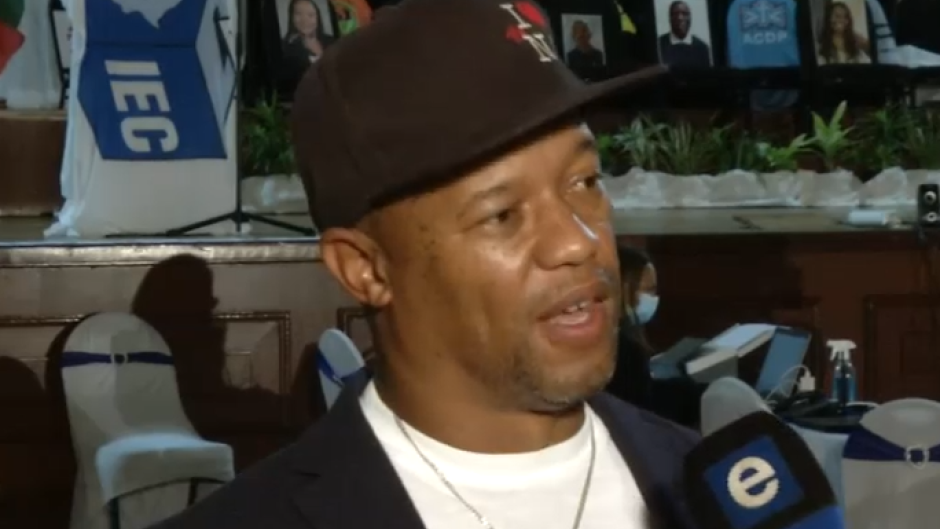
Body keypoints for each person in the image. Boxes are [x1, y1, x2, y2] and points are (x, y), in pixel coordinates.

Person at [152, 1, 699, 528]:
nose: (578, 242)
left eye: (585, 182)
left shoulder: (718, 493)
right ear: (364, 269)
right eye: (502, 214)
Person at [607, 245, 657, 408]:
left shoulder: (628, 338)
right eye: (648, 290)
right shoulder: (624, 350)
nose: (654, 298)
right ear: (623, 289)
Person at [279, 0, 334, 95]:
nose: (304, 20)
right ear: (291, 17)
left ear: (318, 18)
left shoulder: (332, 41)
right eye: (298, 14)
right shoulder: (285, 47)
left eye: (311, 15)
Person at [657, 0, 711, 68]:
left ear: (690, 18)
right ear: (669, 18)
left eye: (684, 14)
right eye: (675, 14)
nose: (680, 18)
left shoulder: (702, 48)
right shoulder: (659, 45)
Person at [816, 0, 871, 64]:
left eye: (845, 17)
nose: (841, 20)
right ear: (828, 18)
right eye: (837, 16)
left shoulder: (855, 44)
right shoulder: (821, 47)